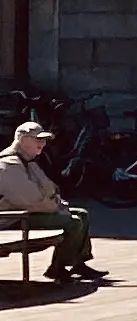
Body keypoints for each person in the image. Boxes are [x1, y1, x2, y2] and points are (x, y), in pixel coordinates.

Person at [0, 121, 99, 287]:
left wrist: (59, 204)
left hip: (29, 212)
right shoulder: (7, 164)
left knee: (81, 213)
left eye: (44, 140)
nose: (43, 144)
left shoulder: (28, 160)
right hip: (12, 218)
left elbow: (50, 189)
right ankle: (58, 268)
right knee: (72, 222)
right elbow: (30, 200)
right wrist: (58, 208)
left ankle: (78, 263)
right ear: (23, 140)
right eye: (38, 140)